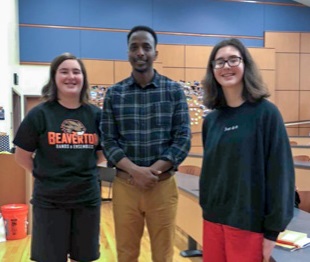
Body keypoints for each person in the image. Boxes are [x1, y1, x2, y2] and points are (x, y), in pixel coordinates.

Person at [199, 38, 295, 262]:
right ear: (212, 70)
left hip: (248, 225)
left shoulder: (266, 114)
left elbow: (281, 174)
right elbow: (212, 172)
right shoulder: (211, 120)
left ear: (245, 65)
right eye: (219, 62)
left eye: (233, 59)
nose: (226, 66)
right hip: (213, 222)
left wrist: (272, 231)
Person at [101, 25, 191, 262]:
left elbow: (182, 139)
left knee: (163, 255)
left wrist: (152, 171)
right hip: (125, 187)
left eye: (146, 47)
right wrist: (135, 171)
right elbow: (108, 141)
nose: (140, 52)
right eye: (134, 47)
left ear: (155, 53)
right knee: (126, 254)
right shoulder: (114, 94)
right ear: (128, 53)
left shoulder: (174, 91)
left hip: (162, 186)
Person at [13, 53, 105, 262]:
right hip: (50, 201)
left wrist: (82, 168)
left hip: (87, 199)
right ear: (54, 77)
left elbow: (101, 154)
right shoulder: (40, 114)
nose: (71, 76)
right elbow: (21, 156)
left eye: (76, 71)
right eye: (64, 71)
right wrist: (45, 174)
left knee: (85, 257)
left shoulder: (95, 115)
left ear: (83, 78)